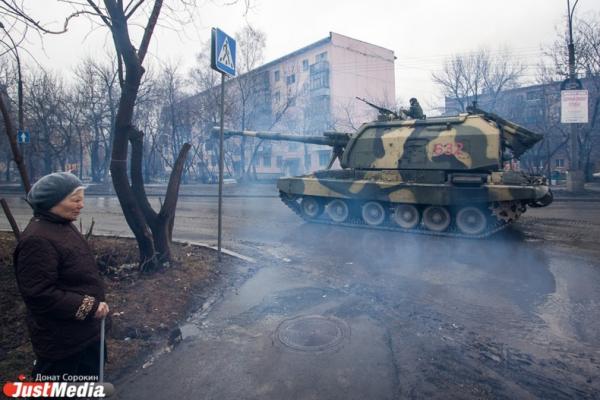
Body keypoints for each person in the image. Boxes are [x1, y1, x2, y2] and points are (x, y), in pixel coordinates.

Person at [13, 172, 109, 382]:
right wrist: (90, 307)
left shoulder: (61, 225)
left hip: (83, 334)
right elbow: (39, 294)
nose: (81, 205)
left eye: (81, 199)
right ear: (53, 202)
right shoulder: (37, 239)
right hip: (62, 342)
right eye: (75, 200)